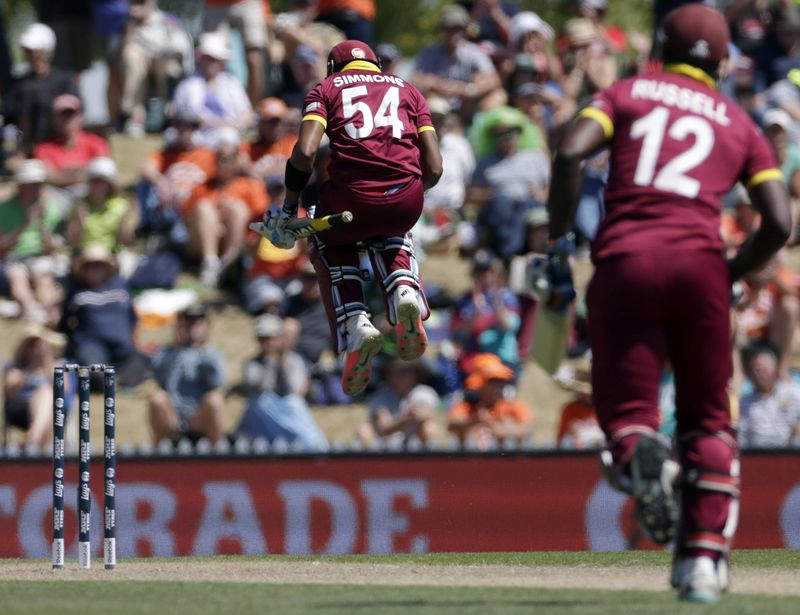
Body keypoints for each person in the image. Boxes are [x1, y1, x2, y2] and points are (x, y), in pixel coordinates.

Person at [546, 4, 792, 602]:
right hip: (701, 266)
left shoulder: (627, 92)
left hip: (626, 260)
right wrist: (728, 270)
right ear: (726, 60)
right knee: (710, 418)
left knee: (630, 415)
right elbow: (780, 222)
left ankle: (643, 457)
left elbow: (571, 152)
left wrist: (557, 241)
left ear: (660, 45)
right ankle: (702, 564)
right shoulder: (741, 123)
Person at [260, 40, 442, 397]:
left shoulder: (325, 88)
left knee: (326, 234)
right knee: (392, 222)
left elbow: (306, 151)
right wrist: (407, 193)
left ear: (332, 67)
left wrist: (289, 206)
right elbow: (434, 166)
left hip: (351, 199)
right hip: (407, 194)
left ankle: (355, 320)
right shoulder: (409, 89)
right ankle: (403, 287)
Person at [182, 129, 268, 286]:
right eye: (220, 159)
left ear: (237, 161)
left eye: (228, 159)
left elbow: (261, 218)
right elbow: (186, 219)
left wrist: (228, 218)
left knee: (237, 208)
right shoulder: (202, 187)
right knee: (204, 207)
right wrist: (214, 224)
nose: (224, 163)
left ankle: (229, 263)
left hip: (240, 241)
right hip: (203, 242)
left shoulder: (249, 186)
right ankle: (211, 264)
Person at [236, 314, 328, 449]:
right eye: (262, 339)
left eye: (270, 338)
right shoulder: (252, 364)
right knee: (261, 401)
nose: (267, 343)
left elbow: (295, 390)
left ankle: (315, 446)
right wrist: (270, 362)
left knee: (294, 404)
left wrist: (281, 363)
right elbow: (256, 385)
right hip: (263, 417)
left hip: (288, 411)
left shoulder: (294, 360)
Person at [148, 303, 227, 444]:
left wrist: (200, 349)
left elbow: (218, 382)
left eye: (197, 321)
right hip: (173, 415)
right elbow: (158, 377)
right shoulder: (167, 353)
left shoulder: (213, 354)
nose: (193, 326)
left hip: (200, 416)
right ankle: (158, 455)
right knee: (157, 398)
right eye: (188, 321)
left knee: (215, 400)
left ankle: (219, 453)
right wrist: (178, 345)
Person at [58, 244, 138, 374]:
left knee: (137, 367)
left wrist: (134, 342)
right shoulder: (76, 291)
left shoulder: (120, 286)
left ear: (106, 268)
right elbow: (65, 323)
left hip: (122, 343)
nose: (94, 270)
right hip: (91, 344)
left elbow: (132, 318)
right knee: (96, 370)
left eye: (99, 265)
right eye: (90, 266)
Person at [0, 160, 62, 323]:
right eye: (30, 184)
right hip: (13, 257)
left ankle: (44, 311)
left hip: (39, 256)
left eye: (37, 184)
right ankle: (32, 310)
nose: (34, 189)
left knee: (44, 279)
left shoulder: (50, 208)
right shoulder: (4, 209)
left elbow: (49, 249)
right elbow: (2, 247)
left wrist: (42, 224)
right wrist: (24, 225)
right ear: (20, 186)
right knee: (17, 279)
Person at [412, 4, 501, 117]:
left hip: (466, 108)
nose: (453, 33)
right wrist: (439, 85)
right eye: (449, 28)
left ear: (464, 30)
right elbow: (416, 79)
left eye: (457, 28)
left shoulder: (473, 52)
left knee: (497, 96)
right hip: (437, 106)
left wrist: (468, 90)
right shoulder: (429, 52)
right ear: (442, 29)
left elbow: (493, 79)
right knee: (431, 101)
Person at [3, 22, 78, 153]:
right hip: (24, 153)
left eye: (34, 50)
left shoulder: (64, 82)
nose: (30, 54)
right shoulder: (16, 85)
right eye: (27, 50)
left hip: (58, 151)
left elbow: (74, 117)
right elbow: (9, 122)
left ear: (46, 51)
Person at [171, 32, 253, 146]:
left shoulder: (231, 82)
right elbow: (176, 112)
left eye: (216, 59)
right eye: (208, 58)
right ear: (201, 59)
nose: (212, 63)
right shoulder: (187, 83)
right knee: (173, 137)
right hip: (195, 133)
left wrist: (235, 125)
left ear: (222, 62)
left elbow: (247, 113)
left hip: (226, 133)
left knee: (228, 137)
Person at [447, 353, 533, 450]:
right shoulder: (466, 406)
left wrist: (496, 425)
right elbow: (452, 425)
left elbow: (527, 428)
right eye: (493, 381)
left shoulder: (510, 405)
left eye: (501, 381)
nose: (498, 386)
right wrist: (475, 420)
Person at [33, 94, 111, 194]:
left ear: (81, 117)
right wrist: (81, 173)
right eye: (63, 115)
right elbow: (48, 176)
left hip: (89, 195)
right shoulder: (43, 149)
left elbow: (102, 173)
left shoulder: (97, 143)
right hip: (57, 196)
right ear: (54, 119)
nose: (68, 120)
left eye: (71, 114)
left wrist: (62, 175)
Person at [357, 358, 440, 447]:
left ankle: (428, 460)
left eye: (406, 370)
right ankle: (370, 461)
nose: (402, 375)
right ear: (388, 374)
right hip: (384, 446)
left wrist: (418, 414)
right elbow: (384, 427)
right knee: (364, 430)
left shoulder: (424, 392)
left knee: (429, 427)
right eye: (397, 370)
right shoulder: (380, 396)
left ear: (415, 373)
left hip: (415, 444)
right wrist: (406, 419)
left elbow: (427, 413)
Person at [3, 325, 63, 448]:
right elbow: (9, 391)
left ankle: (33, 438)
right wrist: (30, 370)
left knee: (46, 395)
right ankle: (35, 442)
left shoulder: (56, 367)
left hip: (52, 410)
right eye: (32, 345)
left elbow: (64, 390)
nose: (36, 349)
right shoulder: (16, 369)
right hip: (20, 409)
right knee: (46, 395)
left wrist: (47, 363)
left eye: (40, 345)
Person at [67, 157, 137, 253]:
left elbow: (127, 242)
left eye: (102, 181)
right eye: (94, 180)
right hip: (84, 255)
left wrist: (125, 223)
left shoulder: (121, 206)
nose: (97, 185)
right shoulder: (79, 205)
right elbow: (72, 242)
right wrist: (79, 223)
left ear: (110, 184)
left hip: (111, 255)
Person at [739, 344, 800, 448]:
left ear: (775, 369)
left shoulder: (793, 393)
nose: (759, 374)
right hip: (756, 454)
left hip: (789, 453)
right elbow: (742, 436)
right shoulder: (744, 402)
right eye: (756, 370)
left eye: (763, 369)